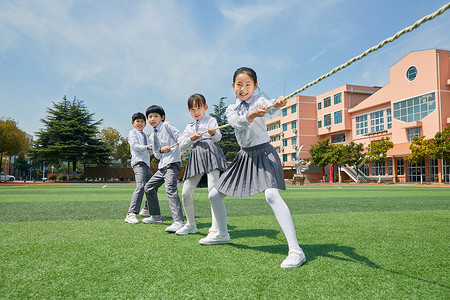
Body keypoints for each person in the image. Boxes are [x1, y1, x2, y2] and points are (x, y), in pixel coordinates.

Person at [200, 67, 306, 269]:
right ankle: (222, 234)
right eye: (239, 85)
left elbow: (272, 106)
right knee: (214, 196)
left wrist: (279, 103)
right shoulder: (230, 109)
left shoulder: (259, 101)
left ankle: (296, 250)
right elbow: (236, 123)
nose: (243, 88)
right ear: (233, 87)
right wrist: (250, 116)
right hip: (244, 156)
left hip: (264, 152)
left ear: (255, 87)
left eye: (248, 84)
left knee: (271, 196)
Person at [176, 94, 228, 235]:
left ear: (205, 107)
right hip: (196, 155)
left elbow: (218, 137)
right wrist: (191, 138)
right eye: (192, 109)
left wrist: (212, 133)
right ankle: (191, 225)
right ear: (189, 111)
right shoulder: (189, 127)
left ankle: (215, 227)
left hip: (212, 153)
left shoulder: (211, 120)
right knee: (186, 192)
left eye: (199, 108)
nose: (196, 112)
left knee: (213, 189)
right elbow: (181, 145)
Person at [143, 105, 184, 232]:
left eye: (156, 116)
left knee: (170, 190)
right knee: (148, 187)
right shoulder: (152, 136)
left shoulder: (167, 126)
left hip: (173, 163)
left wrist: (184, 142)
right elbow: (156, 154)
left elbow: (180, 137)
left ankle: (178, 222)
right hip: (162, 166)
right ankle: (156, 216)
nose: (152, 119)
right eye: (150, 117)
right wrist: (161, 149)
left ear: (162, 117)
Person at [124, 112, 159, 224]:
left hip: (145, 164)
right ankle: (131, 213)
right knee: (140, 186)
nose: (139, 123)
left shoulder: (145, 136)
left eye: (142, 121)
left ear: (145, 124)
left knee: (153, 184)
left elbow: (152, 149)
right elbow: (135, 146)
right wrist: (146, 147)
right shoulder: (132, 133)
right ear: (132, 123)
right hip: (138, 162)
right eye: (137, 121)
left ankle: (146, 208)